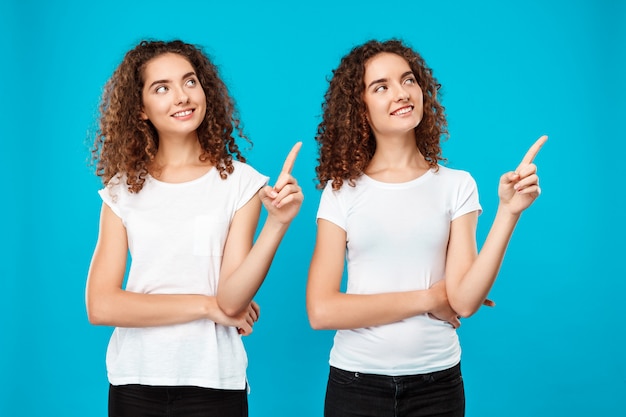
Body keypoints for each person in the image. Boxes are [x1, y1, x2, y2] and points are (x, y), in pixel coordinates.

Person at [306, 39, 546, 417]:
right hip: (356, 384)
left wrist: (508, 212)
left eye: (408, 80)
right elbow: (321, 310)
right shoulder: (341, 193)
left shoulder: (457, 185)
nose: (401, 93)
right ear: (360, 108)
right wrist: (429, 299)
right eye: (380, 87)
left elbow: (464, 301)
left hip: (437, 385)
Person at [86, 39, 303, 417]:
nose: (181, 97)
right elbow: (101, 304)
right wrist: (205, 307)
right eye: (162, 88)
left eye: (189, 82)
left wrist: (277, 224)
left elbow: (232, 301)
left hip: (214, 381)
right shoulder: (122, 190)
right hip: (135, 381)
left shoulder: (241, 183)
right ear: (140, 109)